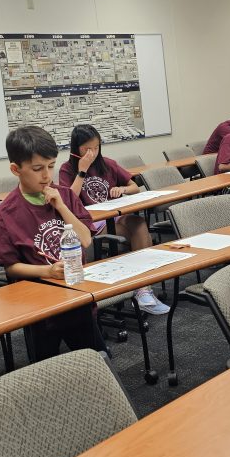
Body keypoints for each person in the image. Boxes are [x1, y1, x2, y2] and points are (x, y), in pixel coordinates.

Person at [0, 125, 106, 360]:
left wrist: (61, 206)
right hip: (39, 307)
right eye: (38, 169)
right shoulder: (6, 212)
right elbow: (10, 267)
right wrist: (47, 271)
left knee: (98, 360)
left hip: (76, 298)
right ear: (16, 169)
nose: (47, 176)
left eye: (51, 166)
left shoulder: (66, 196)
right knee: (46, 372)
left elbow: (85, 239)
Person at [59, 123, 169, 315]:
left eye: (96, 147)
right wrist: (82, 171)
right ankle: (137, 288)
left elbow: (134, 186)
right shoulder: (67, 169)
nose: (92, 153)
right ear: (76, 148)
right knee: (134, 227)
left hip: (113, 216)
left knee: (140, 224)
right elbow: (69, 201)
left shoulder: (107, 164)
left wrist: (123, 189)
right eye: (87, 149)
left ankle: (143, 290)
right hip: (89, 224)